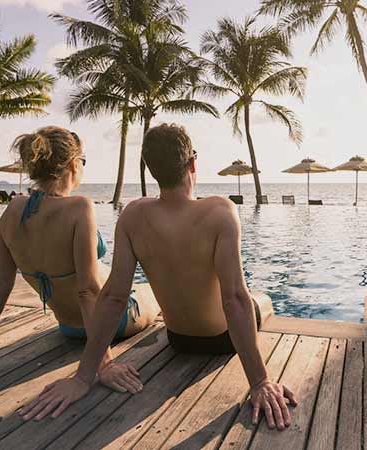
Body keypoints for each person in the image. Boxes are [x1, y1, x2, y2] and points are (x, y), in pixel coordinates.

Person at [19, 123, 297, 430]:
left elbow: (112, 297)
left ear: (151, 170)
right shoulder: (220, 211)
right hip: (222, 341)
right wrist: (260, 381)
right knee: (261, 299)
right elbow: (234, 300)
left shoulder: (133, 215)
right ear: (192, 163)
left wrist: (84, 376)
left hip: (177, 339)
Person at [0, 126, 160, 395]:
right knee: (152, 291)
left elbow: (0, 285)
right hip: (112, 323)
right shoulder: (80, 207)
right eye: (83, 161)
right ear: (74, 164)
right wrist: (104, 363)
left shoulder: (12, 210)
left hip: (68, 327)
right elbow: (88, 291)